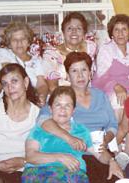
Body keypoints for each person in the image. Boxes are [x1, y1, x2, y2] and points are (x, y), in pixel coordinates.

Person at [37, 52, 119, 182]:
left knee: (118, 178)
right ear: (68, 75)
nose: (80, 75)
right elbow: (42, 121)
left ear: (90, 73)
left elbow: (113, 125)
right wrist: (69, 138)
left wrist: (106, 138)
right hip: (74, 154)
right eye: (74, 71)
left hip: (100, 152)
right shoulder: (62, 96)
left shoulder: (100, 95)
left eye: (84, 70)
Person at [23, 86, 123, 182]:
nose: (63, 109)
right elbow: (30, 156)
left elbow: (99, 153)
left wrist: (112, 161)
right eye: (58, 105)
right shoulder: (40, 129)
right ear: (50, 109)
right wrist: (60, 157)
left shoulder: (81, 131)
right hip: (40, 173)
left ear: (73, 110)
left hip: (73, 176)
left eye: (68, 105)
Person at [0, 64, 41, 183]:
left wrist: (24, 161)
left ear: (25, 82)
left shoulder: (38, 114)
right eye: (5, 83)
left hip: (29, 169)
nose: (10, 87)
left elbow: (48, 150)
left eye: (14, 81)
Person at [92, 14, 129, 119]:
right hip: (109, 89)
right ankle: (116, 133)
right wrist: (117, 87)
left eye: (124, 29)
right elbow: (101, 75)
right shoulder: (106, 49)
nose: (120, 33)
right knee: (118, 100)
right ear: (112, 34)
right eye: (116, 30)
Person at [0, 21, 49, 106]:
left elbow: (42, 84)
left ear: (28, 42)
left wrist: (41, 96)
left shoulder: (36, 60)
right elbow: (10, 76)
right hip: (13, 100)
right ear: (9, 44)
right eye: (15, 40)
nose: (19, 43)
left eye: (23, 39)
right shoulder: (4, 53)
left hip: (34, 102)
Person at [43, 12, 97, 90]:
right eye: (69, 28)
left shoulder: (92, 48)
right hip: (63, 95)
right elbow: (52, 87)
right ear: (63, 32)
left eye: (78, 28)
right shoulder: (51, 54)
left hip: (88, 94)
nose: (74, 31)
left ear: (84, 33)